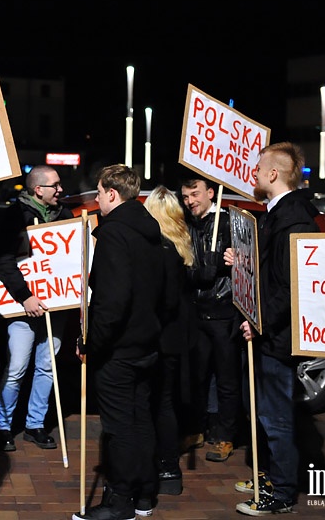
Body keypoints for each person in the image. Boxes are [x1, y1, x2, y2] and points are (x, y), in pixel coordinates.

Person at [231, 142, 319, 516]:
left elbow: (287, 287)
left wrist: (260, 322)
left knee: (275, 416)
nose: (251, 173)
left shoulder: (291, 220)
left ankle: (282, 492)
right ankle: (269, 475)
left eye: (257, 168)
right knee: (264, 412)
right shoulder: (275, 215)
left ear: (272, 175)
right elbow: (269, 273)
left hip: (276, 337)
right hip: (268, 333)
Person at [72, 164, 164, 520]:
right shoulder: (149, 230)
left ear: (113, 194)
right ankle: (143, 494)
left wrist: (93, 342)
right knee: (140, 418)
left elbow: (112, 300)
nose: (96, 199)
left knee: (120, 425)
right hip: (145, 341)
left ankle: (120, 500)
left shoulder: (115, 234)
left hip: (120, 347)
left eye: (98, 193)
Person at [0, 164, 73, 451]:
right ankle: (2, 426)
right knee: (16, 367)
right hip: (21, 307)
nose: (60, 190)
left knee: (47, 367)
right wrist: (25, 296)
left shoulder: (66, 216)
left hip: (55, 305)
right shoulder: (14, 217)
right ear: (39, 189)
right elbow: (3, 261)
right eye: (55, 185)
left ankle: (35, 424)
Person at [180, 176, 243, 463]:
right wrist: (203, 270)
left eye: (195, 194)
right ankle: (198, 429)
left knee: (227, 379)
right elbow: (187, 269)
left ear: (210, 192)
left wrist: (227, 262)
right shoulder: (187, 224)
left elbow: (244, 264)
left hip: (224, 311)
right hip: (196, 312)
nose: (190, 200)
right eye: (185, 196)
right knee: (198, 376)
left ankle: (225, 436)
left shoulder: (231, 222)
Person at [143, 186, 197, 497]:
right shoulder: (182, 243)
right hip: (177, 337)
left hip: (160, 337)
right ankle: (168, 467)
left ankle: (162, 466)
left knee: (156, 404)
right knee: (166, 402)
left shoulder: (159, 249)